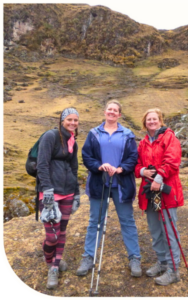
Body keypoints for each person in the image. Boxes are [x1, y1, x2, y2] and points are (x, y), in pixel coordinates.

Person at [76, 100, 142, 277]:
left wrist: (121, 168)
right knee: (94, 222)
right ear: (105, 112)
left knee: (127, 221)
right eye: (109, 109)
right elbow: (86, 155)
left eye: (115, 110)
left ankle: (134, 258)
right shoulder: (94, 133)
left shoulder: (127, 134)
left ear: (119, 114)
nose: (112, 112)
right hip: (100, 184)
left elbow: (133, 157)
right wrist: (100, 166)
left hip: (121, 185)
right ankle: (88, 257)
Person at [135, 108, 184, 286]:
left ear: (160, 121)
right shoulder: (143, 143)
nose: (152, 122)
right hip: (150, 193)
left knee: (169, 230)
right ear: (144, 123)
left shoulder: (169, 137)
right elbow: (137, 165)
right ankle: (162, 262)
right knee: (155, 229)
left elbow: (173, 160)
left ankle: (173, 269)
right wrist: (142, 171)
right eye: (149, 120)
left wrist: (159, 177)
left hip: (165, 190)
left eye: (155, 119)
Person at [37, 108, 80, 289]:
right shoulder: (50, 136)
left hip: (68, 192)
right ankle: (50, 260)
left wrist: (77, 192)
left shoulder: (73, 142)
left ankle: (55, 267)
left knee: (62, 230)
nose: (72, 123)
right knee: (51, 236)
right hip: (49, 193)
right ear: (62, 120)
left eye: (76, 120)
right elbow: (42, 165)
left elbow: (74, 168)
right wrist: (47, 192)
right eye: (69, 119)